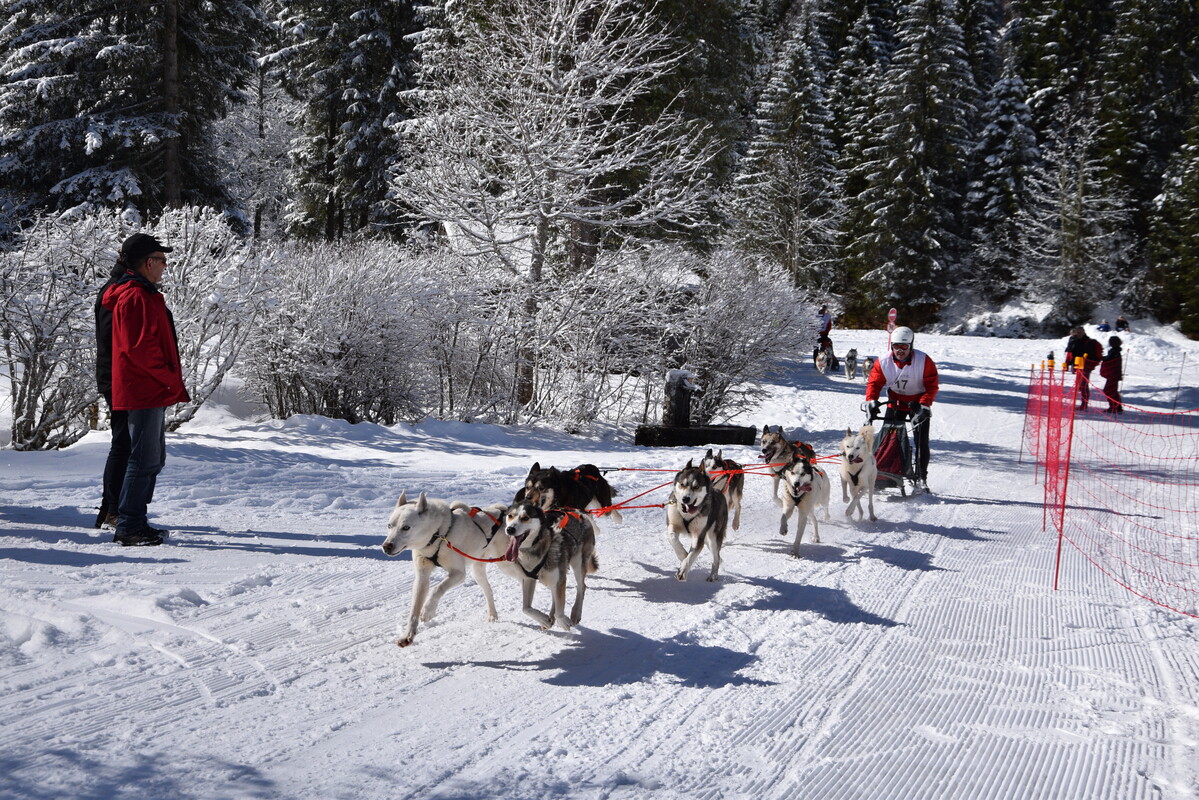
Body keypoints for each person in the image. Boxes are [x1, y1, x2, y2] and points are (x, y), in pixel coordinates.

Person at [101, 233, 190, 546]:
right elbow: (140, 348)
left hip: (146, 387)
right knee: (143, 458)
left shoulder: (141, 293)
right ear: (149, 263)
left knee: (152, 458)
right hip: (144, 388)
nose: (165, 266)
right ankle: (128, 525)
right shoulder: (135, 296)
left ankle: (134, 520)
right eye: (162, 260)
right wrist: (168, 377)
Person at [864, 326, 939, 493]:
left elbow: (932, 386)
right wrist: (872, 401)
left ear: (911, 346)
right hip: (896, 401)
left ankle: (921, 477)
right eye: (897, 346)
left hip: (918, 403)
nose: (900, 350)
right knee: (890, 438)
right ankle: (886, 475)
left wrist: (923, 405)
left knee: (921, 441)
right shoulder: (883, 361)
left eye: (904, 347)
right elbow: (874, 383)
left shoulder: (924, 361)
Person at [1064, 326, 1103, 409]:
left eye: (1080, 332)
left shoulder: (1090, 342)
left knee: (1083, 385)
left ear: (1084, 332)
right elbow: (1070, 351)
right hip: (1078, 365)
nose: (1078, 334)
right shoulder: (1075, 341)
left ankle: (1084, 404)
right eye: (1077, 332)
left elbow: (1091, 355)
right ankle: (1083, 403)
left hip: (1086, 366)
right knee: (1080, 385)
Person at [1100, 335, 1124, 413]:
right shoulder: (1115, 350)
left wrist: (1101, 358)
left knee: (1109, 390)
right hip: (1115, 374)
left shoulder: (1114, 351)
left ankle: (1114, 407)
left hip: (1113, 374)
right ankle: (1117, 406)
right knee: (1112, 390)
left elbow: (1109, 360)